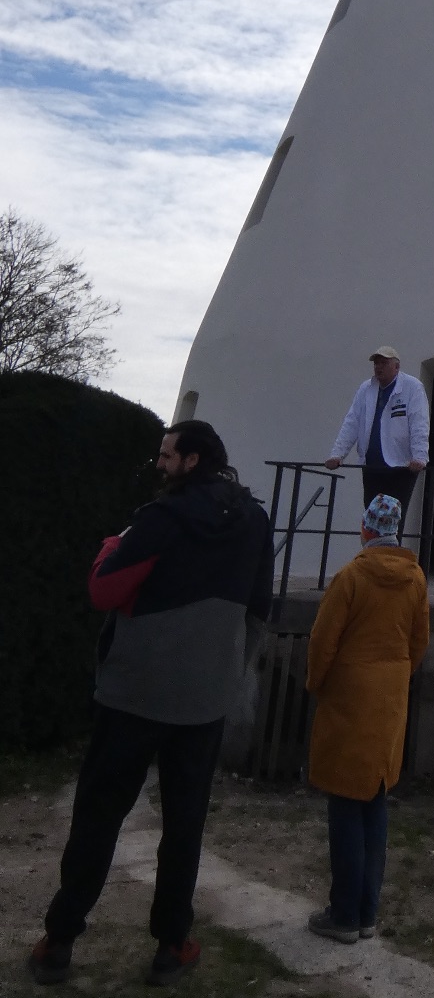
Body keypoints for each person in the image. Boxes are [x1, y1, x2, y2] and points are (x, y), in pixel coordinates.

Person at [28, 422, 273, 988]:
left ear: (190, 461)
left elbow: (103, 590)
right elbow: (261, 605)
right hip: (205, 697)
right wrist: (229, 671)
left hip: (134, 694)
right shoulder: (256, 520)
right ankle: (171, 944)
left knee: (98, 816)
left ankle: (59, 940)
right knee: (184, 825)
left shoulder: (160, 519)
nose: (158, 463)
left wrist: (112, 546)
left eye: (166, 455)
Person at [304, 493, 430, 943]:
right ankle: (368, 912)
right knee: (375, 798)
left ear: (365, 529)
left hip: (349, 696)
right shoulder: (416, 579)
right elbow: (420, 641)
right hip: (390, 696)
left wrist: (316, 683)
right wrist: (397, 676)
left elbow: (323, 640)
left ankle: (343, 916)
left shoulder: (351, 577)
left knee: (343, 803)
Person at [325, 347, 429, 527]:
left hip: (400, 467)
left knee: (394, 521)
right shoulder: (366, 388)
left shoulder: (412, 387)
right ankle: (372, 554)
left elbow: (419, 423)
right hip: (372, 465)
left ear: (396, 367)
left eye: (384, 363)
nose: (378, 367)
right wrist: (337, 455)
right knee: (372, 519)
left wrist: (419, 457)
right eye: (376, 363)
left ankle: (391, 554)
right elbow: (352, 422)